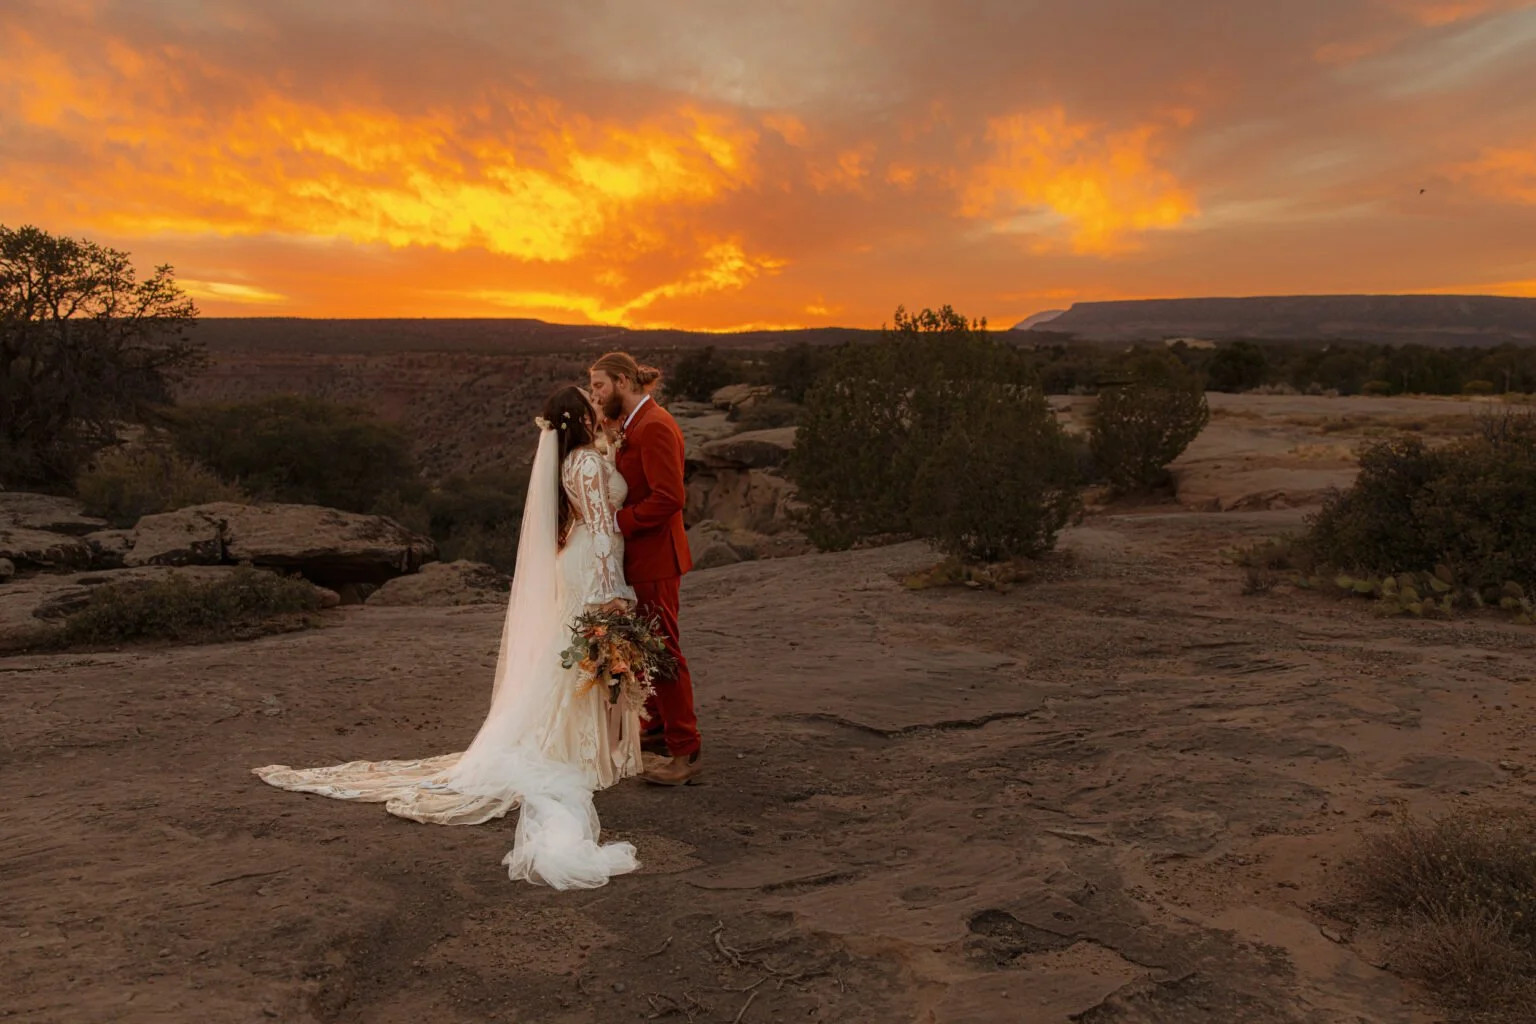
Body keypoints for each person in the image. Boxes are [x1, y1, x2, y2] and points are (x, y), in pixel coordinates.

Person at [253, 386, 645, 890]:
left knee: (569, 658)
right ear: (583, 418)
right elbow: (602, 524)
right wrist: (613, 587)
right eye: (591, 409)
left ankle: (587, 748)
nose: (598, 412)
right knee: (579, 656)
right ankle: (581, 752)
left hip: (575, 562)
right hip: (592, 565)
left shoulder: (573, 461)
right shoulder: (587, 465)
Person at [587, 352, 701, 786]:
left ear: (621, 380)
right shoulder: (631, 424)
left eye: (599, 385)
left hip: (655, 558)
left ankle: (686, 750)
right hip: (638, 558)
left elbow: (670, 497)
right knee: (642, 647)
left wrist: (617, 523)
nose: (596, 395)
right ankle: (653, 728)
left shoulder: (654, 426)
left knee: (663, 651)